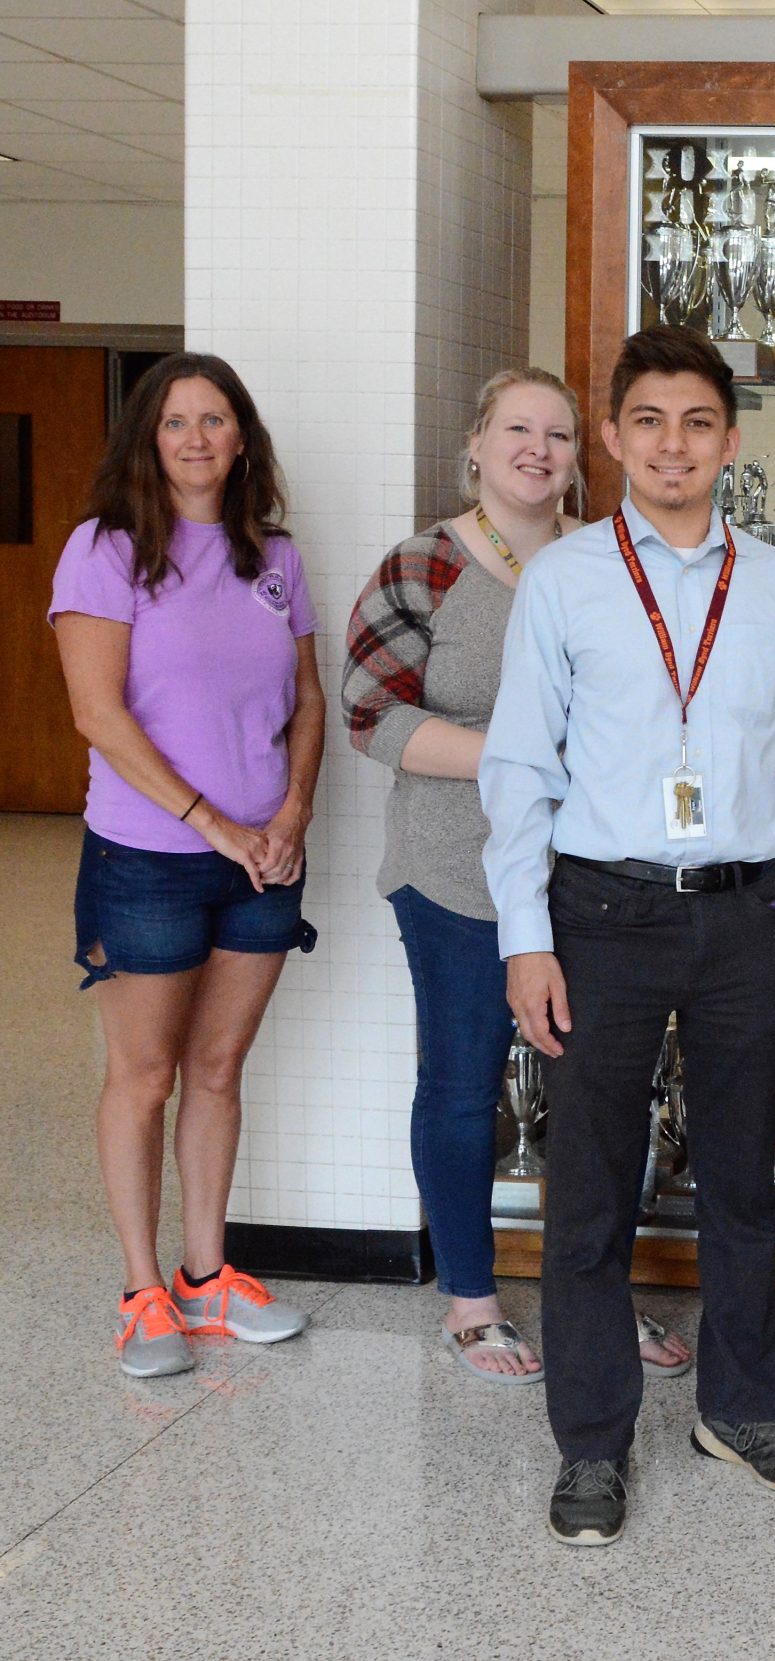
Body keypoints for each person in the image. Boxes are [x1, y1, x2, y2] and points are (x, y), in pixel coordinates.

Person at [480, 326, 775, 1548]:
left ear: (731, 441)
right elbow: (520, 768)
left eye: (696, 422)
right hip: (602, 914)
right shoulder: (568, 579)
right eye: (648, 420)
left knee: (746, 1177)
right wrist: (526, 938)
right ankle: (592, 1438)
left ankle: (739, 1406)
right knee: (590, 1190)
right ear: (613, 436)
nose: (672, 444)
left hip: (750, 911)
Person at [342, 367, 694, 1386]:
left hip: (595, 878)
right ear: (477, 443)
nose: (537, 449)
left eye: (555, 434)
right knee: (461, 1088)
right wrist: (520, 752)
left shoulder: (613, 559)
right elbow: (371, 714)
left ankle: (596, 1291)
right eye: (516, 430)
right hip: (456, 874)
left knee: (603, 1095)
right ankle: (471, 1298)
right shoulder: (424, 564)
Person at [51, 352, 323, 1380]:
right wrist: (213, 821)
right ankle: (140, 1290)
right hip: (150, 857)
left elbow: (305, 701)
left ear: (241, 437)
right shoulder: (104, 549)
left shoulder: (274, 557)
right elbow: (97, 714)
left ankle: (208, 1276)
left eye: (216, 419)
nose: (197, 438)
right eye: (176, 421)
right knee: (146, 1073)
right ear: (147, 439)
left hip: (263, 858)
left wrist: (290, 812)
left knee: (217, 1068)